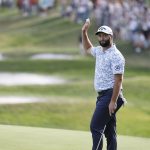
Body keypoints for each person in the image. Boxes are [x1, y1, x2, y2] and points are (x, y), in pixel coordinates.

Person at [82, 20, 126, 150]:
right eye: (100, 35)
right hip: (103, 96)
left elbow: (118, 80)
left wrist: (113, 101)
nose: (102, 38)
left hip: (111, 94)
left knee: (95, 126)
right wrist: (84, 32)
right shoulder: (100, 51)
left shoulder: (117, 56)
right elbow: (88, 48)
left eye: (104, 35)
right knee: (109, 130)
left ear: (110, 36)